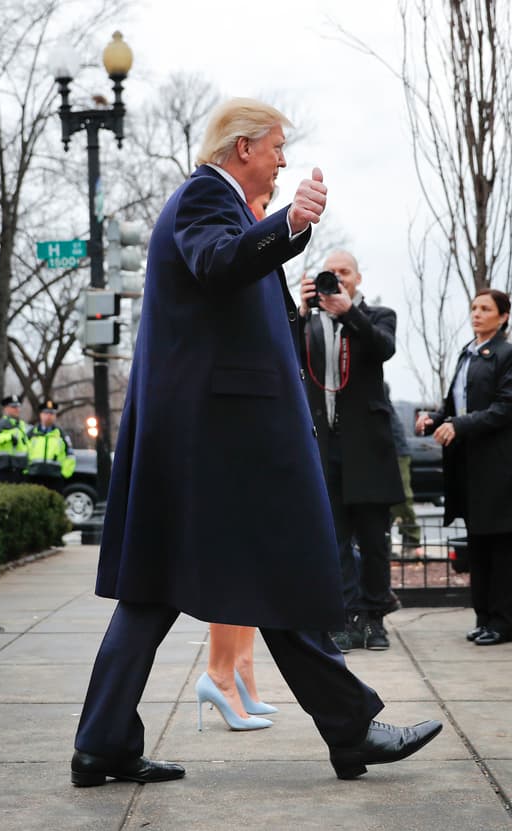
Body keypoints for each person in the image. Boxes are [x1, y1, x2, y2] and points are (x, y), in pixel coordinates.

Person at [71, 98, 442, 788]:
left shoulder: (219, 204)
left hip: (204, 442)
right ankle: (352, 730)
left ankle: (103, 744)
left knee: (158, 590)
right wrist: (292, 223)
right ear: (242, 148)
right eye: (275, 147)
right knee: (276, 576)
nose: (280, 160)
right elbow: (219, 263)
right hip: (219, 445)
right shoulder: (204, 198)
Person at [194, 187, 281, 732]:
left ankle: (239, 670)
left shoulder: (252, 244)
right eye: (259, 200)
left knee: (246, 556)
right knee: (232, 557)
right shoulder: (214, 220)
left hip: (254, 418)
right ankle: (222, 675)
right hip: (228, 422)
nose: (263, 207)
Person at [416, 289, 512, 647]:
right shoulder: (467, 353)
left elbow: (507, 408)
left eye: (485, 309)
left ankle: (502, 624)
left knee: (500, 548)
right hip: (469, 466)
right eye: (474, 307)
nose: (477, 314)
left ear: (503, 316)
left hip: (500, 465)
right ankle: (483, 618)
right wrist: (435, 419)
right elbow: (455, 404)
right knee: (478, 546)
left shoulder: (510, 355)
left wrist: (459, 425)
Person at [296, 250, 404, 653]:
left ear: (357, 278)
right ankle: (344, 616)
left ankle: (374, 619)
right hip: (323, 444)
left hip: (368, 446)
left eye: (344, 273)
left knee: (375, 539)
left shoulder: (377, 315)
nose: (336, 279)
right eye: (330, 273)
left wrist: (348, 314)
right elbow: (284, 354)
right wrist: (302, 310)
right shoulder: (308, 322)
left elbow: (383, 349)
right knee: (335, 538)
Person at [386, 388, 424, 555]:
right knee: (382, 502)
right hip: (382, 451)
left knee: (402, 498)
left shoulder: (378, 386)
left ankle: (411, 541)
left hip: (396, 451)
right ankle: (384, 542)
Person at [25, 399, 75, 488]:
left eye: (52, 414)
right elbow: (23, 453)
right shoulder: (31, 433)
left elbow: (70, 455)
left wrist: (64, 474)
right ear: (40, 415)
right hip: (33, 476)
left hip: (55, 478)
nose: (49, 416)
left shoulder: (61, 434)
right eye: (46, 413)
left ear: (55, 416)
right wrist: (26, 471)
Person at [0, 395, 29, 483]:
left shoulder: (22, 425)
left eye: (18, 407)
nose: (17, 409)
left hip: (21, 467)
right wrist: (9, 437)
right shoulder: (2, 424)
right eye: (14, 407)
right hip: (7, 467)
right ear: (6, 409)